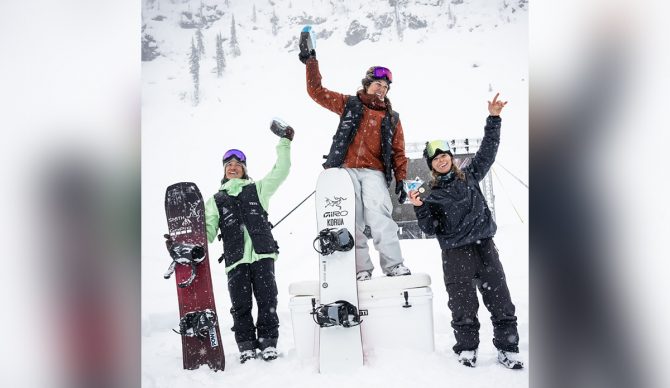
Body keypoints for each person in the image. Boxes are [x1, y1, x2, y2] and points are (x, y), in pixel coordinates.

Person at [407, 93, 524, 369]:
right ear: (432, 166)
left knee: (500, 299)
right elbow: (428, 228)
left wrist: (493, 118)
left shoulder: (470, 176)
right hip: (455, 254)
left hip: (484, 246)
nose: (441, 161)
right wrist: (419, 207)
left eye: (444, 156)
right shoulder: (430, 195)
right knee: (462, 304)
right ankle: (467, 348)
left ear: (451, 158)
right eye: (435, 159)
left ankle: (508, 347)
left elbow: (488, 151)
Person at [299, 45, 411, 281]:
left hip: (374, 172)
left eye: (386, 87)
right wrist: (311, 62)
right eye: (377, 84)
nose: (381, 89)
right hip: (346, 169)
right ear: (367, 84)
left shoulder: (391, 118)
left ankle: (394, 265)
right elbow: (316, 91)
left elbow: (399, 151)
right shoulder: (349, 104)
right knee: (353, 219)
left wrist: (401, 178)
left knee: (380, 216)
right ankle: (361, 269)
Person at [204, 126, 294, 364]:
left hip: (263, 256)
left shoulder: (259, 189)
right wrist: (190, 239)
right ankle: (246, 346)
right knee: (240, 306)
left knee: (267, 301)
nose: (233, 167)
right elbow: (208, 231)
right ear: (224, 171)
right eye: (228, 165)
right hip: (236, 260)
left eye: (238, 164)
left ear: (244, 169)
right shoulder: (215, 201)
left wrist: (285, 142)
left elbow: (281, 170)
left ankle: (268, 344)